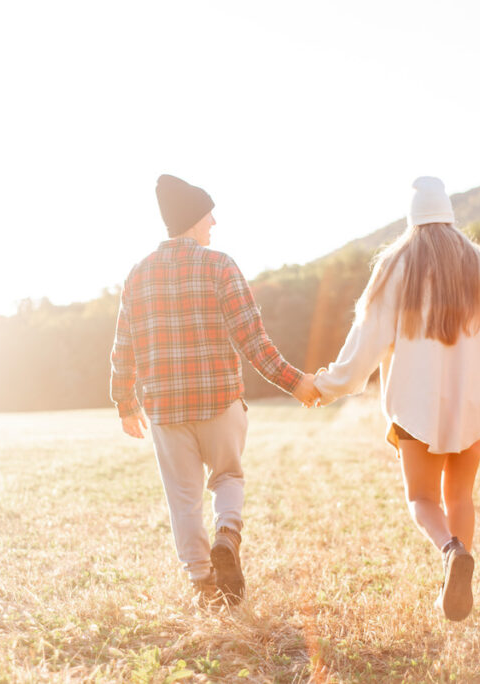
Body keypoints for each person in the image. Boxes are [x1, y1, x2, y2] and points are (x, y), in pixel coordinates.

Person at [313, 176, 480, 621]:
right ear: (450, 214)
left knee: (421, 498)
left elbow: (363, 345)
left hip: (416, 407)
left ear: (412, 218)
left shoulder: (395, 267)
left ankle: (450, 552)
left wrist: (329, 385)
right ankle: (455, 586)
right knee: (460, 496)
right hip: (477, 405)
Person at [110, 174, 320, 608]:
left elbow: (122, 349)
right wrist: (296, 382)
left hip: (167, 409)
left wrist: (125, 403)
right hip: (219, 402)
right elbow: (254, 342)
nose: (214, 222)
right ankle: (227, 533)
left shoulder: (137, 275)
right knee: (227, 477)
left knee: (183, 499)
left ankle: (204, 584)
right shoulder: (220, 265)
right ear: (192, 219)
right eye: (209, 214)